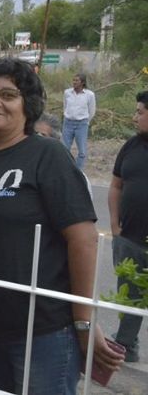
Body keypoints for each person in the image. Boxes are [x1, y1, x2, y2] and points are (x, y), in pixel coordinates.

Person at [0, 57, 123, 394]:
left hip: (43, 330)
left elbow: (84, 239)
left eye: (7, 95)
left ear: (27, 106)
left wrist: (84, 321)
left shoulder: (48, 155)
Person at [109, 91, 148, 363]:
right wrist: (114, 226)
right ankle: (126, 344)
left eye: (140, 112)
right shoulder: (131, 146)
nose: (134, 117)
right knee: (129, 296)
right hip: (129, 238)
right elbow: (115, 186)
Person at [62, 73, 96, 169]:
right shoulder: (67, 93)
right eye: (73, 80)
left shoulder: (89, 95)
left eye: (77, 80)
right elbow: (65, 106)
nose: (74, 82)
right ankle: (65, 169)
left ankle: (78, 171)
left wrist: (86, 121)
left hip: (81, 124)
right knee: (64, 149)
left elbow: (92, 110)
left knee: (82, 151)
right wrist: (67, 115)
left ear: (82, 82)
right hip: (68, 123)